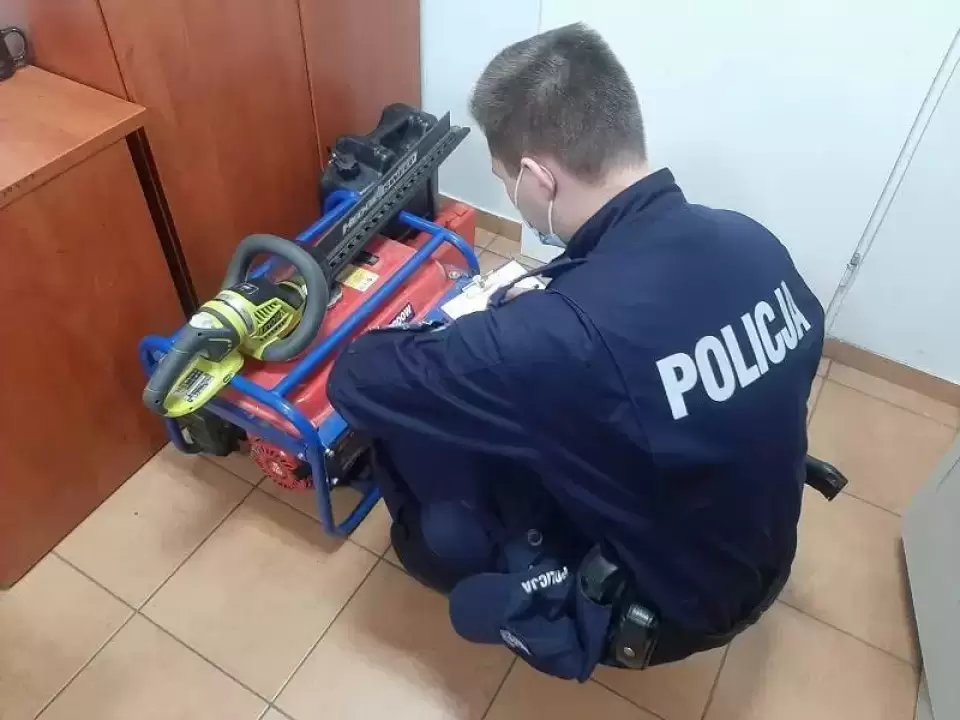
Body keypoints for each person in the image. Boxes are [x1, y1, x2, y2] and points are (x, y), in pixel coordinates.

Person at [328, 23, 824, 680]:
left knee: (431, 487)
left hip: (668, 608)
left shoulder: (561, 336)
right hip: (755, 548)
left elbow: (357, 380)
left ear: (539, 178)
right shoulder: (751, 241)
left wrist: (467, 337)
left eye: (505, 179)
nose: (510, 195)